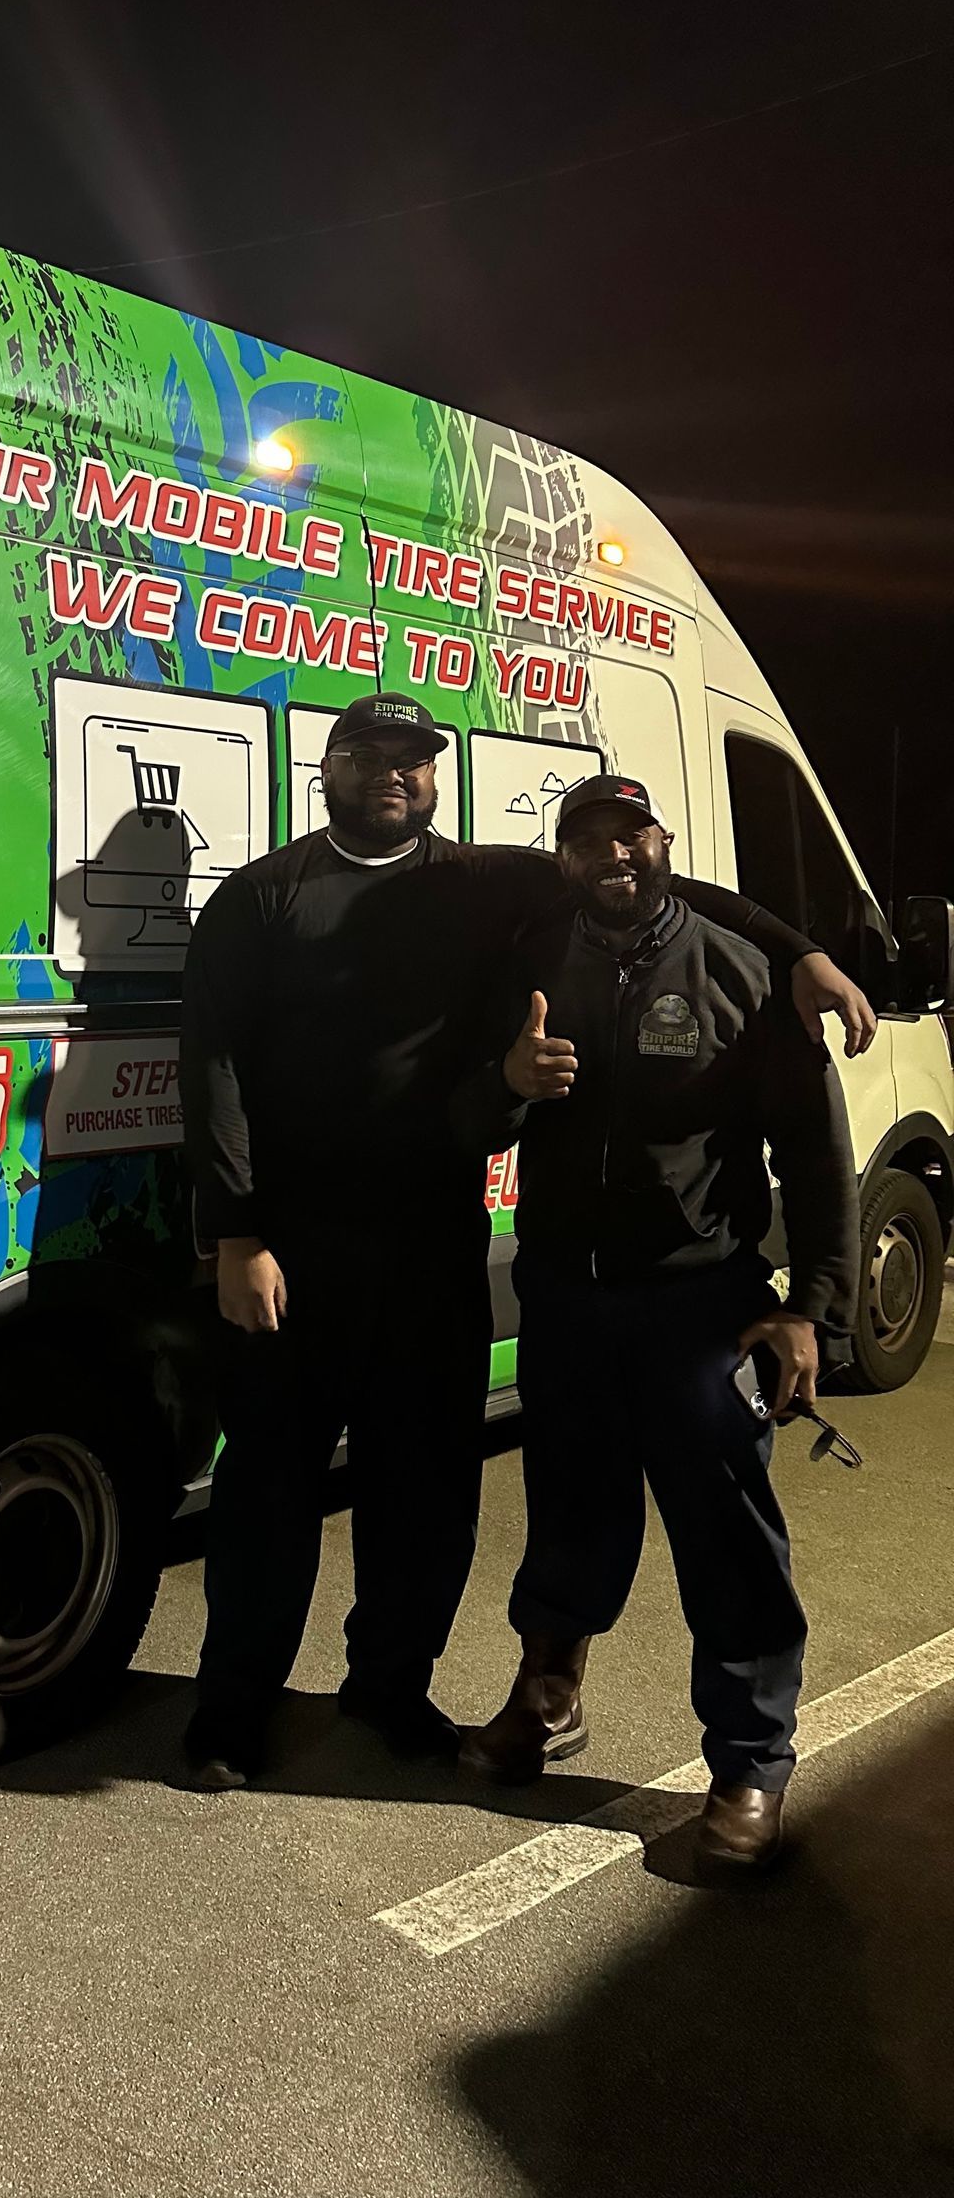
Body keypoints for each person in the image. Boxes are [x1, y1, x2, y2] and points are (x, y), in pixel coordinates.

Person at [178, 695, 873, 1792]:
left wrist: (799, 953)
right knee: (269, 1492)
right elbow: (210, 1063)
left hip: (440, 1244)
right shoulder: (263, 896)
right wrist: (238, 1230)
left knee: (424, 1492)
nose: (393, 775)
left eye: (412, 759)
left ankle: (391, 1687)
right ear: (331, 769)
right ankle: (230, 1713)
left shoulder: (481, 880)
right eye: (369, 757)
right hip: (294, 1249)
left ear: (434, 777)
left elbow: (646, 886)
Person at [455, 772, 856, 1875]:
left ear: (662, 840)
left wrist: (810, 1309)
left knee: (727, 1541)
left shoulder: (742, 972)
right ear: (566, 858)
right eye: (587, 842)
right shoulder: (535, 956)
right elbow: (469, 1106)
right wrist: (508, 1081)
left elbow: (816, 1157)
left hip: (702, 1307)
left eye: (629, 836)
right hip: (568, 1301)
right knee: (569, 1514)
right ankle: (547, 1697)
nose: (611, 857)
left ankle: (748, 1764)